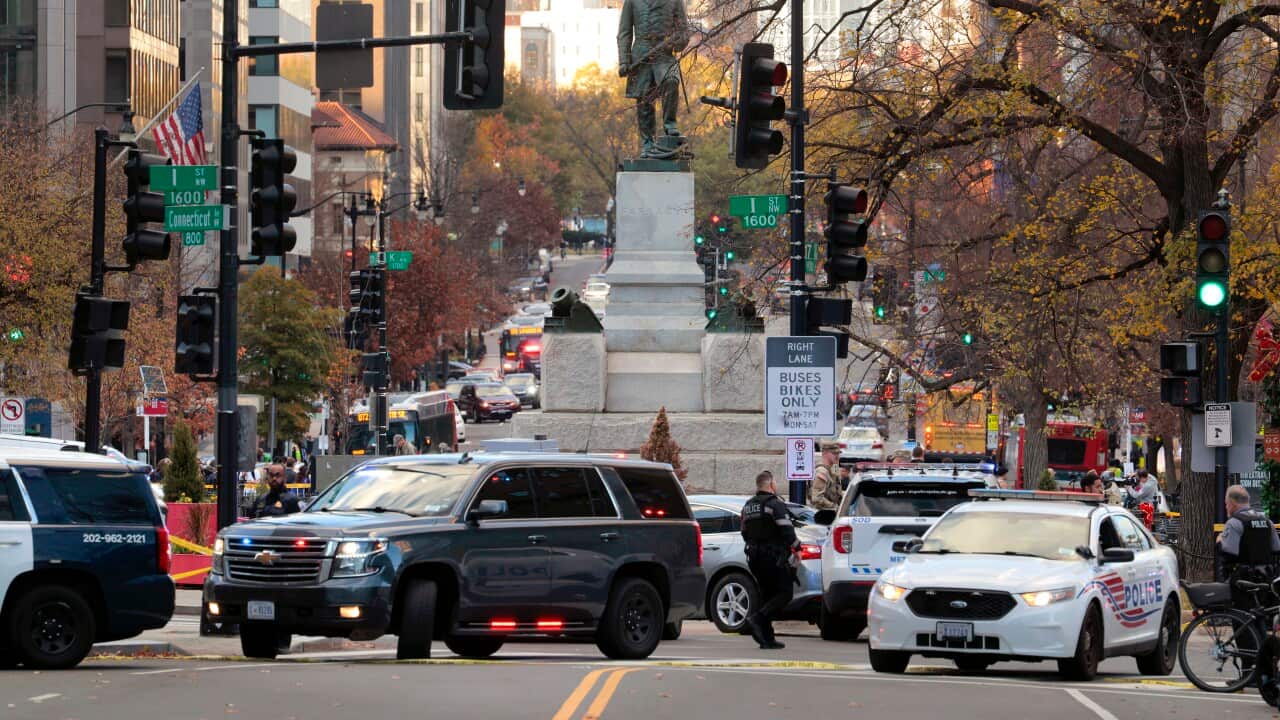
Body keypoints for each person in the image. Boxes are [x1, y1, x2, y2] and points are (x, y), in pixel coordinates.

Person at [740, 471, 798, 650]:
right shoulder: (775, 505)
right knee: (785, 593)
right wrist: (797, 548)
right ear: (771, 485)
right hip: (772, 556)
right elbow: (787, 530)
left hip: (754, 557)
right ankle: (757, 618)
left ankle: (766, 638)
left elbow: (744, 532)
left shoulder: (748, 506)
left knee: (767, 595)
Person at [1218, 484, 1280, 592]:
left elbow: (1228, 553)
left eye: (1226, 504)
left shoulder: (1234, 522)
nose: (1226, 507)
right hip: (1267, 580)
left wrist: (1219, 542)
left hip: (1243, 583)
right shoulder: (1267, 522)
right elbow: (1277, 549)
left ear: (1232, 503)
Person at [808, 442, 843, 510]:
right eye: (834, 453)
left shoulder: (832, 470)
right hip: (823, 514)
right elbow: (817, 498)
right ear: (825, 453)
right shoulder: (822, 472)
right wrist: (835, 507)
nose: (837, 456)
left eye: (838, 453)